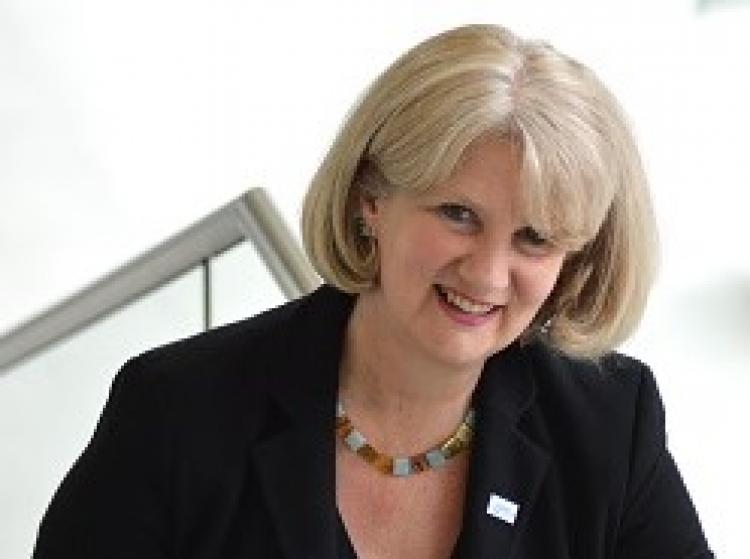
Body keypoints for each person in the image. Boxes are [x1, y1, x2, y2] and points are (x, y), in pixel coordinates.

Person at [33, 23, 713, 558]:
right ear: (371, 199)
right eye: (457, 214)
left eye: (533, 238)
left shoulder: (609, 423)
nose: (487, 274)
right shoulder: (176, 413)